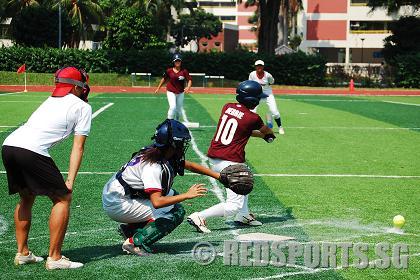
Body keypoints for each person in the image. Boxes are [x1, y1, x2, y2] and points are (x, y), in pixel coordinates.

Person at [1, 66, 92, 269]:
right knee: (63, 198)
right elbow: (78, 147)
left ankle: (23, 253)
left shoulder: (49, 101)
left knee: (26, 196)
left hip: (9, 145)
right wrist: (70, 180)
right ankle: (55, 258)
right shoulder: (83, 107)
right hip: (30, 150)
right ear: (77, 86)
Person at [102, 119, 221, 255]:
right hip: (119, 202)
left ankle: (130, 229)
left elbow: (188, 165)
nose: (183, 145)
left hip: (120, 194)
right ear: (172, 143)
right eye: (181, 142)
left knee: (172, 197)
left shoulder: (158, 151)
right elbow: (157, 202)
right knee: (175, 211)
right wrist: (187, 195)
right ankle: (134, 243)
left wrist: (218, 176)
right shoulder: (153, 167)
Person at [187, 80, 276, 233]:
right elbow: (265, 131)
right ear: (252, 100)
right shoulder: (253, 118)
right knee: (233, 205)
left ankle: (244, 214)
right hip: (230, 160)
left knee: (245, 177)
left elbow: (243, 130)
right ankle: (199, 216)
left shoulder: (227, 107)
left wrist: (263, 136)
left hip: (216, 155)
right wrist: (269, 135)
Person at [249, 60, 285, 134]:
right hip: (257, 94)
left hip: (268, 94)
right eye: (257, 65)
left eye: (261, 65)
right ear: (255, 67)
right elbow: (250, 83)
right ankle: (249, 128)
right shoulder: (252, 74)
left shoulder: (268, 75)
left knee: (274, 112)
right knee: (251, 112)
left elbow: (272, 82)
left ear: (263, 66)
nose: (259, 67)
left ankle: (280, 127)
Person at [154, 54, 192, 120]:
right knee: (172, 107)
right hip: (171, 91)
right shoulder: (169, 71)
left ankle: (176, 122)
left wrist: (188, 88)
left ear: (181, 62)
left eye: (179, 61)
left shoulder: (184, 71)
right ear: (173, 62)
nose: (177, 62)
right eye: (176, 61)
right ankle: (169, 121)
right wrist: (158, 88)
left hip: (180, 93)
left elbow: (189, 80)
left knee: (178, 110)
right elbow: (164, 79)